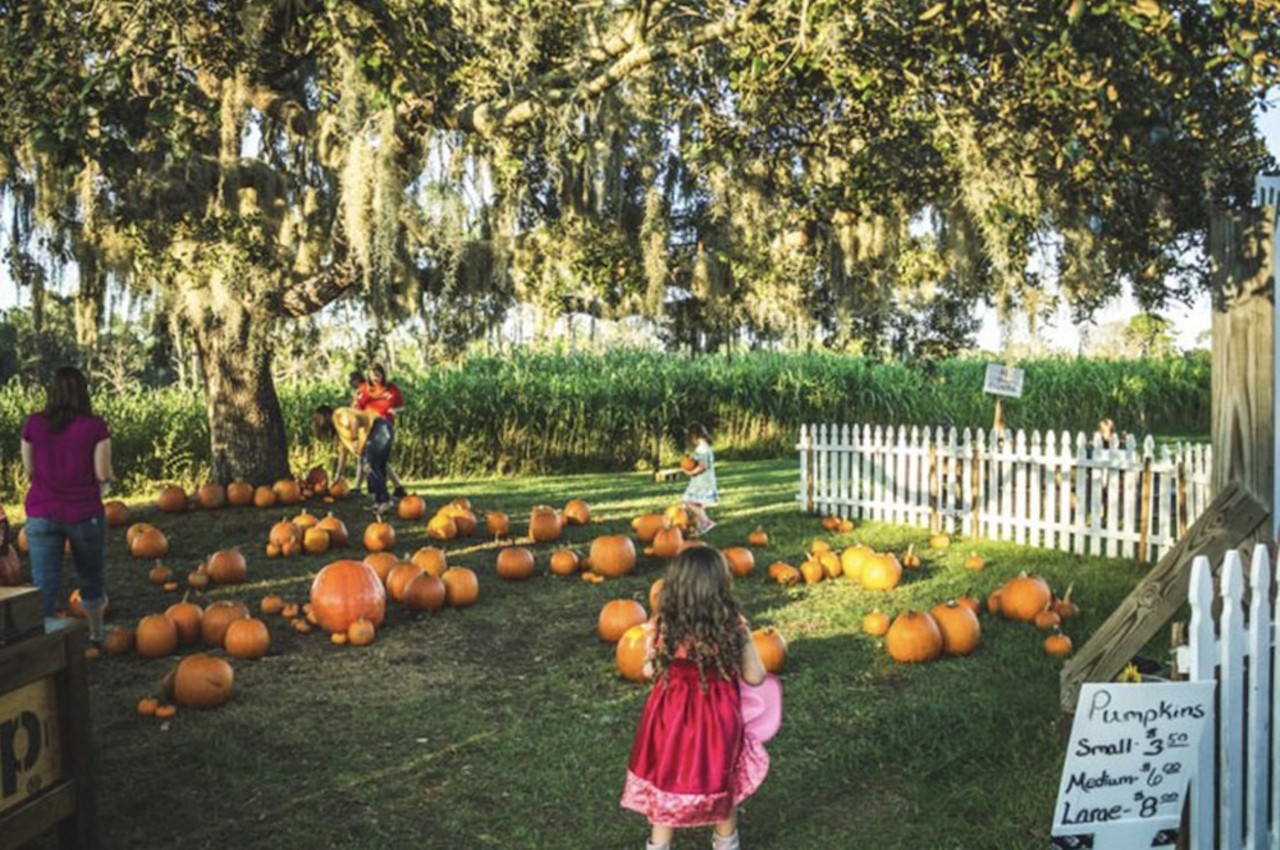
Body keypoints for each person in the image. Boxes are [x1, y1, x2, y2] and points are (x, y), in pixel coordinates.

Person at [621, 547, 771, 850]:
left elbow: (649, 670)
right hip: (718, 720)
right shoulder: (734, 626)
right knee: (722, 781)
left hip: (669, 718)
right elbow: (755, 676)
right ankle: (726, 843)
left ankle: (658, 845)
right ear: (721, 585)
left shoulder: (663, 625)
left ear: (675, 584)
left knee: (666, 778)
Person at [20, 366, 114, 641]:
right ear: (83, 393)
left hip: (41, 513)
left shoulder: (33, 424)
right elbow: (102, 474)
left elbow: (30, 469)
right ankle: (96, 635)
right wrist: (110, 479)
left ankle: (44, 646)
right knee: (90, 578)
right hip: (83, 514)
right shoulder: (95, 426)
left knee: (44, 584)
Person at [312, 404, 393, 511]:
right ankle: (381, 501)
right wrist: (337, 476)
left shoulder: (338, 414)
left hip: (379, 428)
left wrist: (355, 440)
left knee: (369, 465)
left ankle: (384, 501)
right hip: (379, 431)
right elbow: (343, 455)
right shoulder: (340, 433)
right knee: (376, 466)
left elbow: (353, 420)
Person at [346, 369, 406, 498]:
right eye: (373, 376)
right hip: (369, 426)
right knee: (370, 458)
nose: (375, 379)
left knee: (374, 459)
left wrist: (394, 410)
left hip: (381, 425)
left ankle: (381, 491)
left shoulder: (387, 388)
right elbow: (355, 410)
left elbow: (402, 406)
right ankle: (385, 489)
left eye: (378, 375)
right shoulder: (364, 391)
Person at [681, 423, 719, 536]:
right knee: (698, 504)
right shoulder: (706, 446)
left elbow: (703, 466)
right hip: (707, 480)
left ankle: (706, 521)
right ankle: (699, 527)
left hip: (701, 482)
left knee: (687, 500)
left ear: (694, 436)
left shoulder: (701, 449)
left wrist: (689, 472)